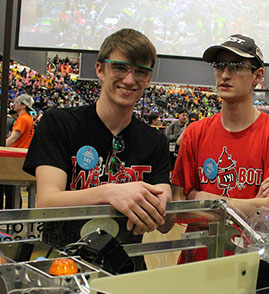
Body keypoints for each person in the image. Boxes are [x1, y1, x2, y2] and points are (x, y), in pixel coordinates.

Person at [23, 29, 171, 268]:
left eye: (141, 72)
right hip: (63, 266)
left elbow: (163, 214)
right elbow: (47, 201)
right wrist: (108, 192)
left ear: (149, 79)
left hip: (127, 270)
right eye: (120, 68)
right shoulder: (59, 123)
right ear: (100, 69)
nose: (130, 80)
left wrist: (159, 209)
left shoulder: (155, 141)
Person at [171, 34, 269, 260]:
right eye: (219, 66)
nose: (225, 74)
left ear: (258, 76)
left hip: (252, 265)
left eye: (237, 66)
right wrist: (251, 207)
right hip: (196, 262)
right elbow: (178, 207)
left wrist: (201, 197)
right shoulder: (195, 133)